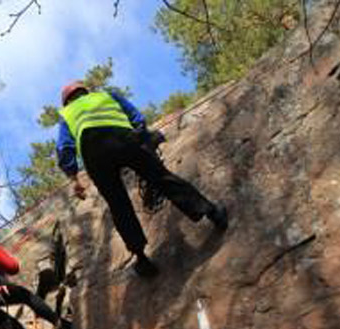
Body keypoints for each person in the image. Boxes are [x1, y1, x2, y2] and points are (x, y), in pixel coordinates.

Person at [56, 81, 228, 277]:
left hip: (94, 156)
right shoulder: (106, 95)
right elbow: (137, 118)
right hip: (122, 138)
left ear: (67, 101)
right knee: (161, 178)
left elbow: (64, 147)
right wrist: (144, 141)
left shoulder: (66, 114)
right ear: (86, 91)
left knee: (118, 205)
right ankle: (212, 213)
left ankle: (141, 258)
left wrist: (74, 179)